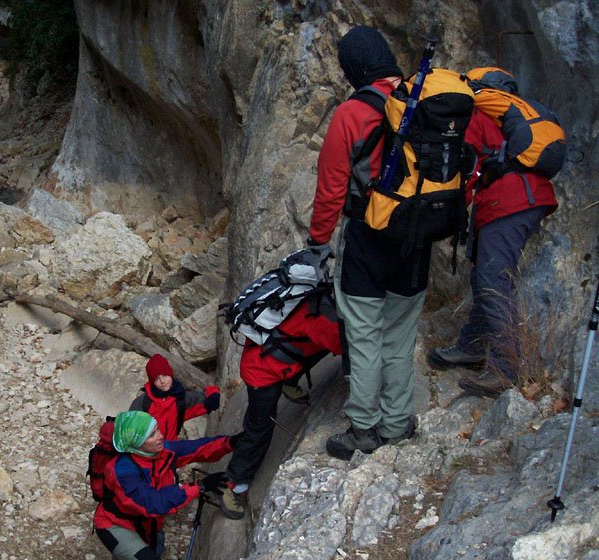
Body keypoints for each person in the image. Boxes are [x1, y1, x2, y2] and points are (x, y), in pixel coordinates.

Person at [306, 25, 420, 462]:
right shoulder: (422, 98)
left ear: (354, 68)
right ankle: (397, 423)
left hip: (369, 235)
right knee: (399, 333)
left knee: (365, 333)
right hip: (418, 237)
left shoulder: (352, 113)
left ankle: (364, 429)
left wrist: (318, 243)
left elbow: (332, 187)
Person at [427, 101, 558, 396]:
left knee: (493, 281)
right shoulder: (502, 115)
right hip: (518, 198)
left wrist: (450, 212)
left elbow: (467, 167)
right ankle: (472, 346)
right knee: (483, 277)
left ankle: (506, 370)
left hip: (509, 200)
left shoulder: (473, 114)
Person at [219, 290, 343, 519]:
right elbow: (343, 345)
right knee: (259, 429)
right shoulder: (322, 317)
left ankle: (289, 379)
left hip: (263, 357)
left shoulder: (310, 296)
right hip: (262, 374)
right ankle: (234, 485)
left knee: (310, 344)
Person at [94, 410, 233, 560]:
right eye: (152, 435)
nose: (160, 436)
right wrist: (197, 487)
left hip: (140, 525)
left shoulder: (158, 452)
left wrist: (229, 443)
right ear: (136, 442)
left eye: (157, 430)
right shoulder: (122, 470)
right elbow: (152, 503)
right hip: (114, 525)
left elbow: (192, 448)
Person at [130, 353, 220, 440]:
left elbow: (204, 396)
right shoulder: (143, 402)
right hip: (149, 450)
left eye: (165, 375)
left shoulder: (180, 397)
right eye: (157, 379)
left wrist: (215, 394)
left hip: (171, 447)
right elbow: (129, 427)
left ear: (170, 374)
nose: (162, 381)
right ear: (152, 383)